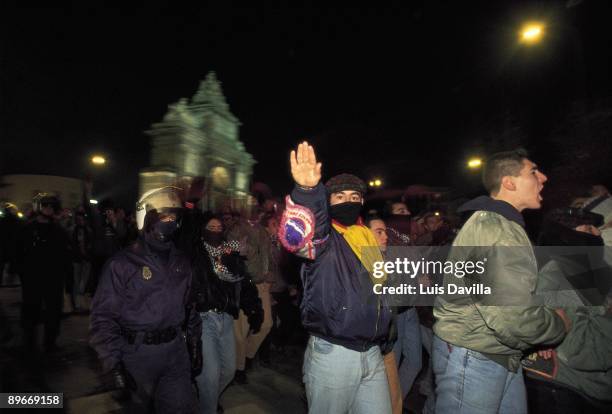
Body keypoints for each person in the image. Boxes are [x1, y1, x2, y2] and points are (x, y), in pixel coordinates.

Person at [432, 148, 571, 414]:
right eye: (533, 171)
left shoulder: (501, 225)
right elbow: (510, 316)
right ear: (508, 182)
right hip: (476, 355)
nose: (543, 178)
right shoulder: (497, 229)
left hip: (495, 351)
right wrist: (557, 325)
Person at [278, 141, 393, 413]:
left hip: (373, 351)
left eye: (355, 197)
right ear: (328, 203)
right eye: (340, 197)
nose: (349, 201)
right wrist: (308, 192)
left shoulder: (367, 239)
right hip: (335, 355)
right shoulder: (325, 239)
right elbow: (299, 237)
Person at [89, 186, 202, 413]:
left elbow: (190, 306)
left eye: (173, 216)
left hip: (175, 353)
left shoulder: (182, 261)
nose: (169, 221)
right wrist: (113, 364)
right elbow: (102, 317)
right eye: (163, 216)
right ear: (146, 218)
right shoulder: (122, 263)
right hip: (137, 356)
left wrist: (194, 342)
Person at [522, 208, 612, 413]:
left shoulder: (591, 270)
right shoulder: (558, 276)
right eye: (589, 229)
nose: (598, 235)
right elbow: (580, 349)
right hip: (571, 392)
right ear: (567, 236)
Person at [177, 210, 262, 414]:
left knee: (229, 370)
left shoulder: (229, 253)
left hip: (225, 319)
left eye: (218, 228)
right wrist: (190, 207)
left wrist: (254, 307)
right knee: (210, 374)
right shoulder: (195, 253)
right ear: (203, 230)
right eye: (210, 228)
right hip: (202, 319)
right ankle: (208, 405)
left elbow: (244, 282)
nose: (215, 231)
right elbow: (185, 235)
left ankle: (206, 398)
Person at [16, 194, 72, 352]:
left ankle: (48, 342)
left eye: (50, 207)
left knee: (52, 312)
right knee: (31, 310)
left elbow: (65, 255)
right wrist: (23, 273)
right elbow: (19, 252)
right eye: (46, 206)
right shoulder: (28, 229)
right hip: (34, 277)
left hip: (52, 278)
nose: (48, 209)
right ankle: (30, 342)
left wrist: (66, 276)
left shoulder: (58, 230)